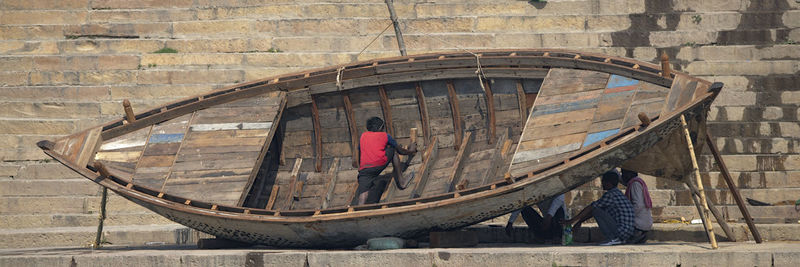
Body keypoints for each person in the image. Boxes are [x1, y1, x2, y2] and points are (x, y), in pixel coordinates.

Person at [356, 117, 417, 205]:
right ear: (381, 128)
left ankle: (359, 212)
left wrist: (360, 169)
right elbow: (401, 151)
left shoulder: (363, 136)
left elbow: (360, 153)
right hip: (379, 163)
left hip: (365, 169)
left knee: (363, 193)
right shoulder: (385, 136)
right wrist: (411, 150)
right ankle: (402, 182)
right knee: (393, 150)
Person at [565, 170, 634, 246]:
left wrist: (572, 220)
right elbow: (594, 211)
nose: (601, 184)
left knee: (595, 209)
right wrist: (579, 221)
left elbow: (591, 208)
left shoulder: (610, 195)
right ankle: (617, 239)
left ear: (607, 183)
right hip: (627, 233)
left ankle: (612, 238)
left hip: (620, 231)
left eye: (603, 181)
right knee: (596, 210)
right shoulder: (618, 193)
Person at [621, 169, 653, 244]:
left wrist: (627, 216)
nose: (622, 176)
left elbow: (638, 205)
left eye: (623, 174)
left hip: (639, 225)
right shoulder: (637, 182)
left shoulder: (635, 184)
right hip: (644, 223)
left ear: (629, 174)